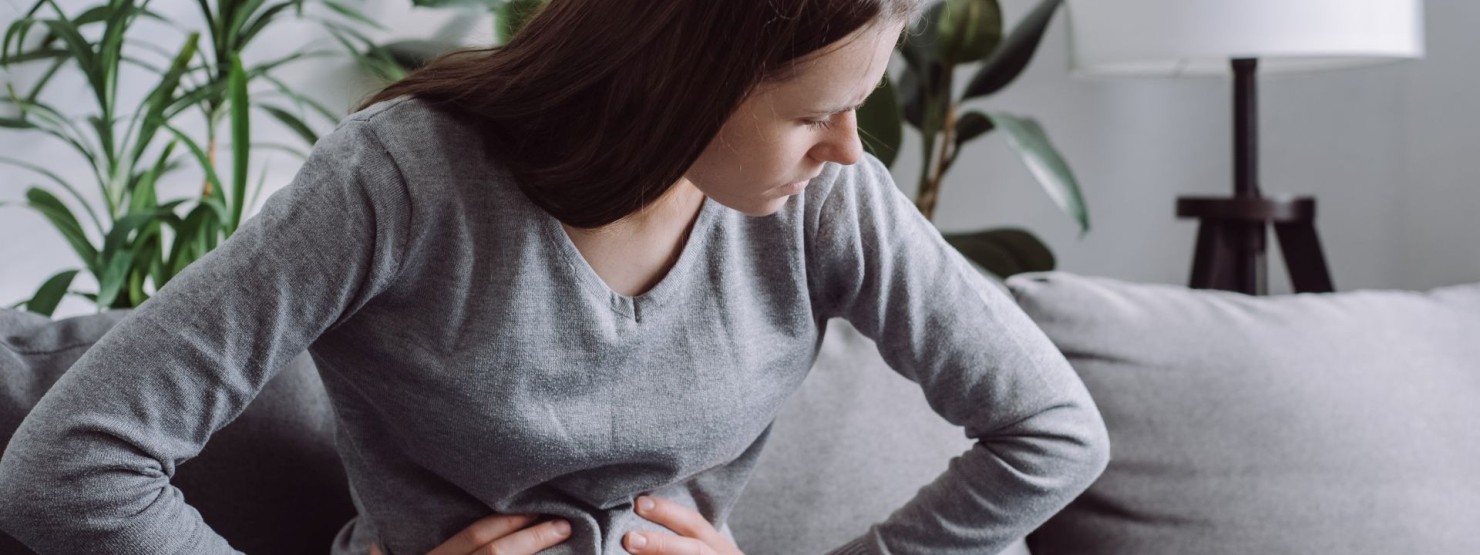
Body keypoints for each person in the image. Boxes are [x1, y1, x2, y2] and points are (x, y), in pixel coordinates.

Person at [0, 1, 1110, 554]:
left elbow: (1053, 433)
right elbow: (69, 465)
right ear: (683, 83)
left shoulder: (828, 200)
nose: (852, 151)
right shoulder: (402, 179)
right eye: (816, 113)